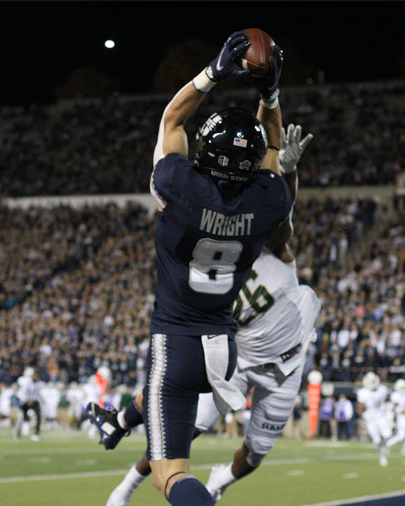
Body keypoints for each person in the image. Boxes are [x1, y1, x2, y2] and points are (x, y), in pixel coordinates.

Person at [87, 30, 289, 506]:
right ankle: (117, 423)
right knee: (160, 411)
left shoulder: (178, 185)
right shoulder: (268, 202)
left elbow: (171, 119)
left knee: (170, 476)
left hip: (175, 342)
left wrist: (213, 72)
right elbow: (274, 152)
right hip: (223, 348)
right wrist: (271, 94)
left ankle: (122, 429)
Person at [101, 123, 318, 505]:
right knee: (178, 431)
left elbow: (283, 211)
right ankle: (128, 483)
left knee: (254, 456)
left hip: (287, 364)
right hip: (241, 358)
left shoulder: (270, 248)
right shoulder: (220, 275)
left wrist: (289, 171)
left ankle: (216, 481)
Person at [356, 372, 391, 466]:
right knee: (376, 440)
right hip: (371, 419)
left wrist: (388, 410)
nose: (372, 382)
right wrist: (364, 415)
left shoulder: (382, 389)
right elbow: (360, 408)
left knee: (387, 434)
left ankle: (385, 446)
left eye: (373, 380)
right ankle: (382, 457)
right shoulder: (362, 392)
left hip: (381, 416)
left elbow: (386, 400)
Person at [14, 366, 42, 442]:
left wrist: (37, 400)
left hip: (34, 401)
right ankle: (17, 432)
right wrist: (27, 400)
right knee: (22, 417)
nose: (36, 376)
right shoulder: (26, 382)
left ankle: (36, 434)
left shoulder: (39, 383)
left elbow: (38, 393)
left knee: (38, 416)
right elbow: (22, 392)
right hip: (25, 402)